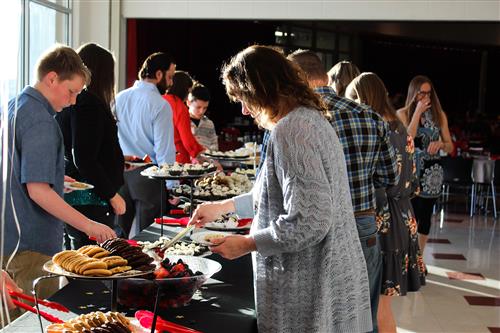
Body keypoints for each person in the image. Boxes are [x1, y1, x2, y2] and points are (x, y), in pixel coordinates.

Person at [190, 45, 372, 333]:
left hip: (312, 281)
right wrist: (223, 208)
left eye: (244, 99)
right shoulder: (307, 119)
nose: (244, 110)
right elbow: (271, 193)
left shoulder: (292, 130)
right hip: (329, 273)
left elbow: (311, 220)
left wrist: (247, 244)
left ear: (264, 89)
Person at [288, 49, 398, 333]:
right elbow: (389, 176)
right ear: (324, 75)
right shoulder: (369, 116)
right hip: (363, 222)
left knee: (321, 318)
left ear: (298, 78)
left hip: (318, 225)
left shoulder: (300, 119)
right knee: (364, 318)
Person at [1, 45, 116, 307]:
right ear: (52, 78)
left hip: (10, 240)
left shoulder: (15, 105)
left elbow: (15, 168)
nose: (73, 101)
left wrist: (55, 177)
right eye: (71, 91)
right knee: (35, 323)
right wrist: (90, 225)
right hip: (30, 246)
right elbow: (38, 191)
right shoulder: (41, 120)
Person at [346, 72, 426, 333]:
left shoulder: (375, 127)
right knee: (381, 307)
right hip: (403, 217)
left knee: (377, 308)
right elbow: (413, 182)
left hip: (383, 220)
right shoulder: (400, 128)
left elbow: (379, 180)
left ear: (361, 98)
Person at [56, 43, 126, 250]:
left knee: (77, 260)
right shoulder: (87, 103)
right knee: (92, 265)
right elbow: (84, 157)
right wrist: (113, 195)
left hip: (83, 198)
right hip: (92, 201)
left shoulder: (77, 102)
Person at [115, 52, 176, 238]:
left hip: (119, 173)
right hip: (148, 177)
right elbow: (163, 150)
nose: (171, 83)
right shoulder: (160, 104)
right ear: (159, 75)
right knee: (149, 238)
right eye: (170, 76)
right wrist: (172, 187)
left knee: (117, 238)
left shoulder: (119, 97)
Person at [396, 75, 453, 263]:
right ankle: (407, 256)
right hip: (411, 172)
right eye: (421, 93)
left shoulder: (439, 115)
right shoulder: (402, 113)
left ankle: (418, 259)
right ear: (414, 93)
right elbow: (407, 139)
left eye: (429, 93)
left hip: (432, 173)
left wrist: (440, 144)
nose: (425, 97)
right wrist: (417, 113)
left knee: (425, 216)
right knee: (409, 216)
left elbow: (450, 146)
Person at [163, 71, 206, 163]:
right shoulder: (180, 107)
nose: (187, 98)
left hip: (158, 155)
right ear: (184, 89)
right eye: (188, 92)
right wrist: (199, 154)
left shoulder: (159, 100)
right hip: (178, 158)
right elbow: (187, 138)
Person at [187, 83, 219, 151]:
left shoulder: (209, 124)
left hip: (207, 160)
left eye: (205, 108)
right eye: (198, 107)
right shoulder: (181, 122)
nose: (202, 111)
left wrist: (208, 150)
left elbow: (215, 146)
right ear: (188, 102)